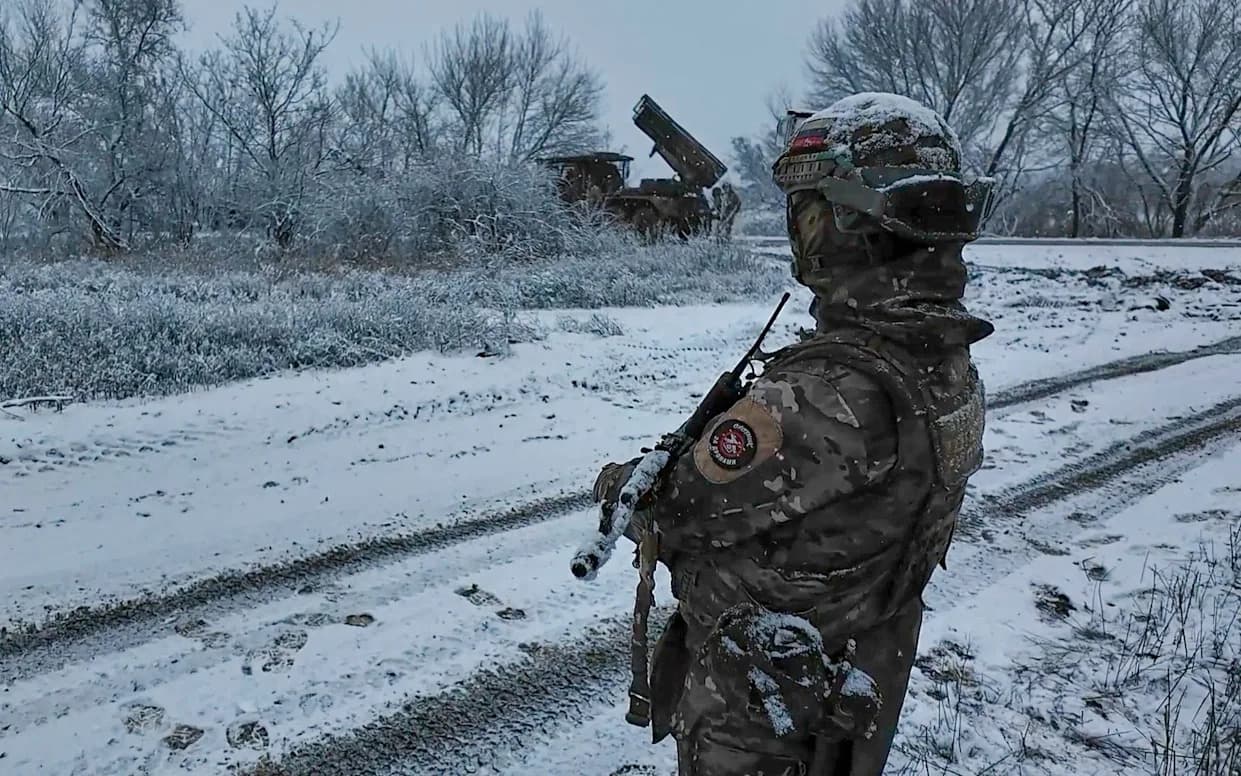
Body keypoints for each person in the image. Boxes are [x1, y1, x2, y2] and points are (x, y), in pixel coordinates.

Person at [593, 92, 995, 775]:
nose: (797, 231)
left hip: (762, 717)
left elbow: (671, 508)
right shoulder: (940, 358)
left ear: (847, 221)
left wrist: (617, 481)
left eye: (805, 212)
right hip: (853, 673)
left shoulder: (825, 394)